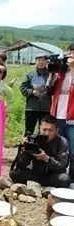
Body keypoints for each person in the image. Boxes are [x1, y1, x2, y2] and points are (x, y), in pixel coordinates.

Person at [10, 115, 71, 188]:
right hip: (35, 174)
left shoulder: (62, 142)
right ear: (40, 128)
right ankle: (40, 185)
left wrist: (47, 159)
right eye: (44, 129)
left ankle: (39, 185)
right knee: (15, 174)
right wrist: (24, 151)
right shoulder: (34, 139)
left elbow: (62, 167)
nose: (47, 133)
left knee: (65, 179)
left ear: (56, 130)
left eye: (50, 130)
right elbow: (21, 165)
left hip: (52, 176)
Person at [48, 43, 74, 180]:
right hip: (58, 115)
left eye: (72, 52)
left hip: (72, 118)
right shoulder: (61, 73)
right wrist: (52, 73)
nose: (69, 55)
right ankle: (60, 177)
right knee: (57, 148)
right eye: (68, 52)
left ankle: (73, 179)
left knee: (73, 151)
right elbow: (49, 89)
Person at [20, 54, 52, 135]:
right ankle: (27, 147)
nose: (41, 62)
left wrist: (48, 90)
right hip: (31, 108)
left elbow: (55, 89)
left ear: (46, 62)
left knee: (44, 132)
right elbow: (23, 88)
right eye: (39, 60)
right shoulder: (29, 75)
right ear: (35, 61)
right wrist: (32, 92)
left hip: (46, 108)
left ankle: (42, 147)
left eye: (43, 60)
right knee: (29, 131)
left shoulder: (51, 75)